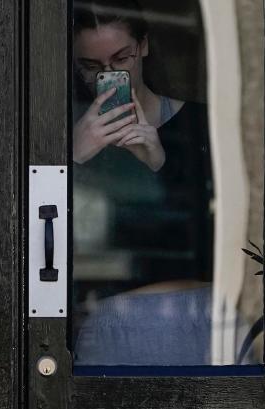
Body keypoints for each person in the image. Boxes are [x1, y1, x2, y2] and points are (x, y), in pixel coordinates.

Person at [71, 0, 216, 364]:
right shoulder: (58, 128)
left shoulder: (196, 124)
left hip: (191, 312)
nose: (109, 75)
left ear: (145, 46)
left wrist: (159, 161)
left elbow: (217, 233)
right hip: (99, 318)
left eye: (122, 59)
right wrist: (71, 156)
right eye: (91, 67)